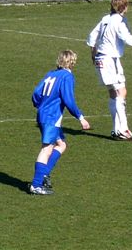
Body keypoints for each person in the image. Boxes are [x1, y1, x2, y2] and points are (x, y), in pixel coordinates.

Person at [86, 0, 132, 141]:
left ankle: (117, 129)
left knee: (114, 93)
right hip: (109, 59)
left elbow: (92, 37)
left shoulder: (105, 19)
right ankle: (122, 130)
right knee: (120, 91)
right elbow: (128, 39)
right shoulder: (118, 21)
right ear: (124, 7)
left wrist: (93, 55)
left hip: (102, 58)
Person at [29, 50, 91, 195]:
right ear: (72, 62)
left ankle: (43, 174)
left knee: (61, 144)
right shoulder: (67, 76)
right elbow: (68, 99)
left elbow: (36, 94)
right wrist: (80, 118)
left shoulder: (51, 74)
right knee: (46, 149)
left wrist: (41, 106)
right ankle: (36, 185)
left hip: (43, 115)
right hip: (51, 117)